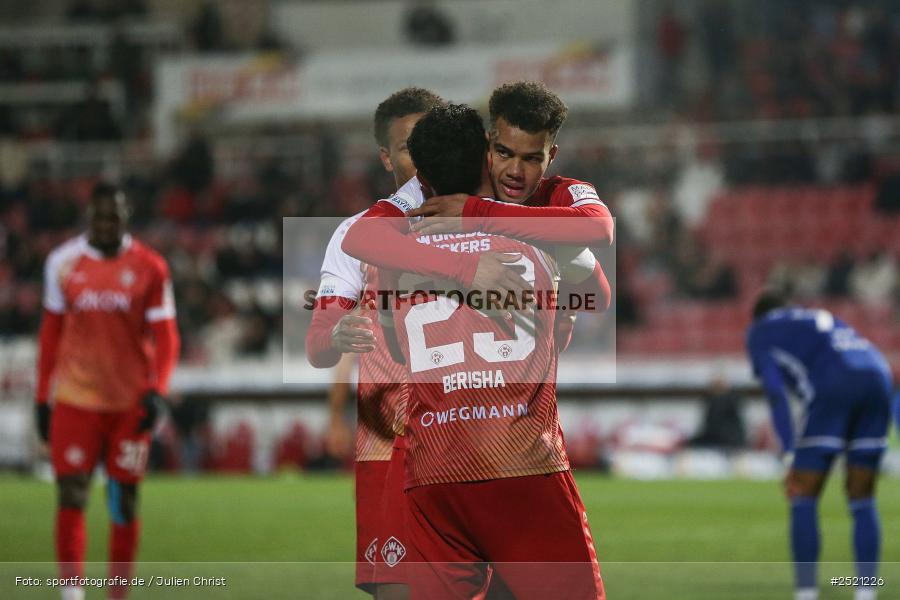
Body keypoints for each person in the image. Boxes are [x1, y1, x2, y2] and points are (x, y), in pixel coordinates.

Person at [344, 104, 606, 599]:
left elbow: (394, 336)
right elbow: (598, 290)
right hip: (523, 462)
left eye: (528, 156)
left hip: (434, 469)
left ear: (420, 173)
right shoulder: (541, 232)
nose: (514, 168)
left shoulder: (394, 249)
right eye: (504, 153)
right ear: (486, 153)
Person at [305, 87, 445, 599]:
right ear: (386, 157)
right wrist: (336, 332)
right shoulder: (354, 235)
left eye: (435, 140)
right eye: (410, 146)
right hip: (393, 449)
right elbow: (318, 344)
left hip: (478, 443)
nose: (426, 156)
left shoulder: (493, 219)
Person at [35, 183, 180, 600]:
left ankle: (117, 594)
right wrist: (41, 397)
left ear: (125, 217)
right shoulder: (62, 263)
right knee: (71, 491)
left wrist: (159, 390)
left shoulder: (151, 267)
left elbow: (166, 337)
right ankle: (72, 593)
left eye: (114, 217)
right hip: (76, 401)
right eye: (99, 217)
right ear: (89, 218)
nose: (106, 225)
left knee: (124, 501)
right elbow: (50, 335)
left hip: (129, 404)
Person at [746, 290, 893, 600]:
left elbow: (775, 392)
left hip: (834, 384)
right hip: (879, 375)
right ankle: (866, 592)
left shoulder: (760, 331)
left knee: (803, 494)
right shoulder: (813, 317)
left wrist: (789, 453)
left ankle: (807, 592)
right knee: (862, 496)